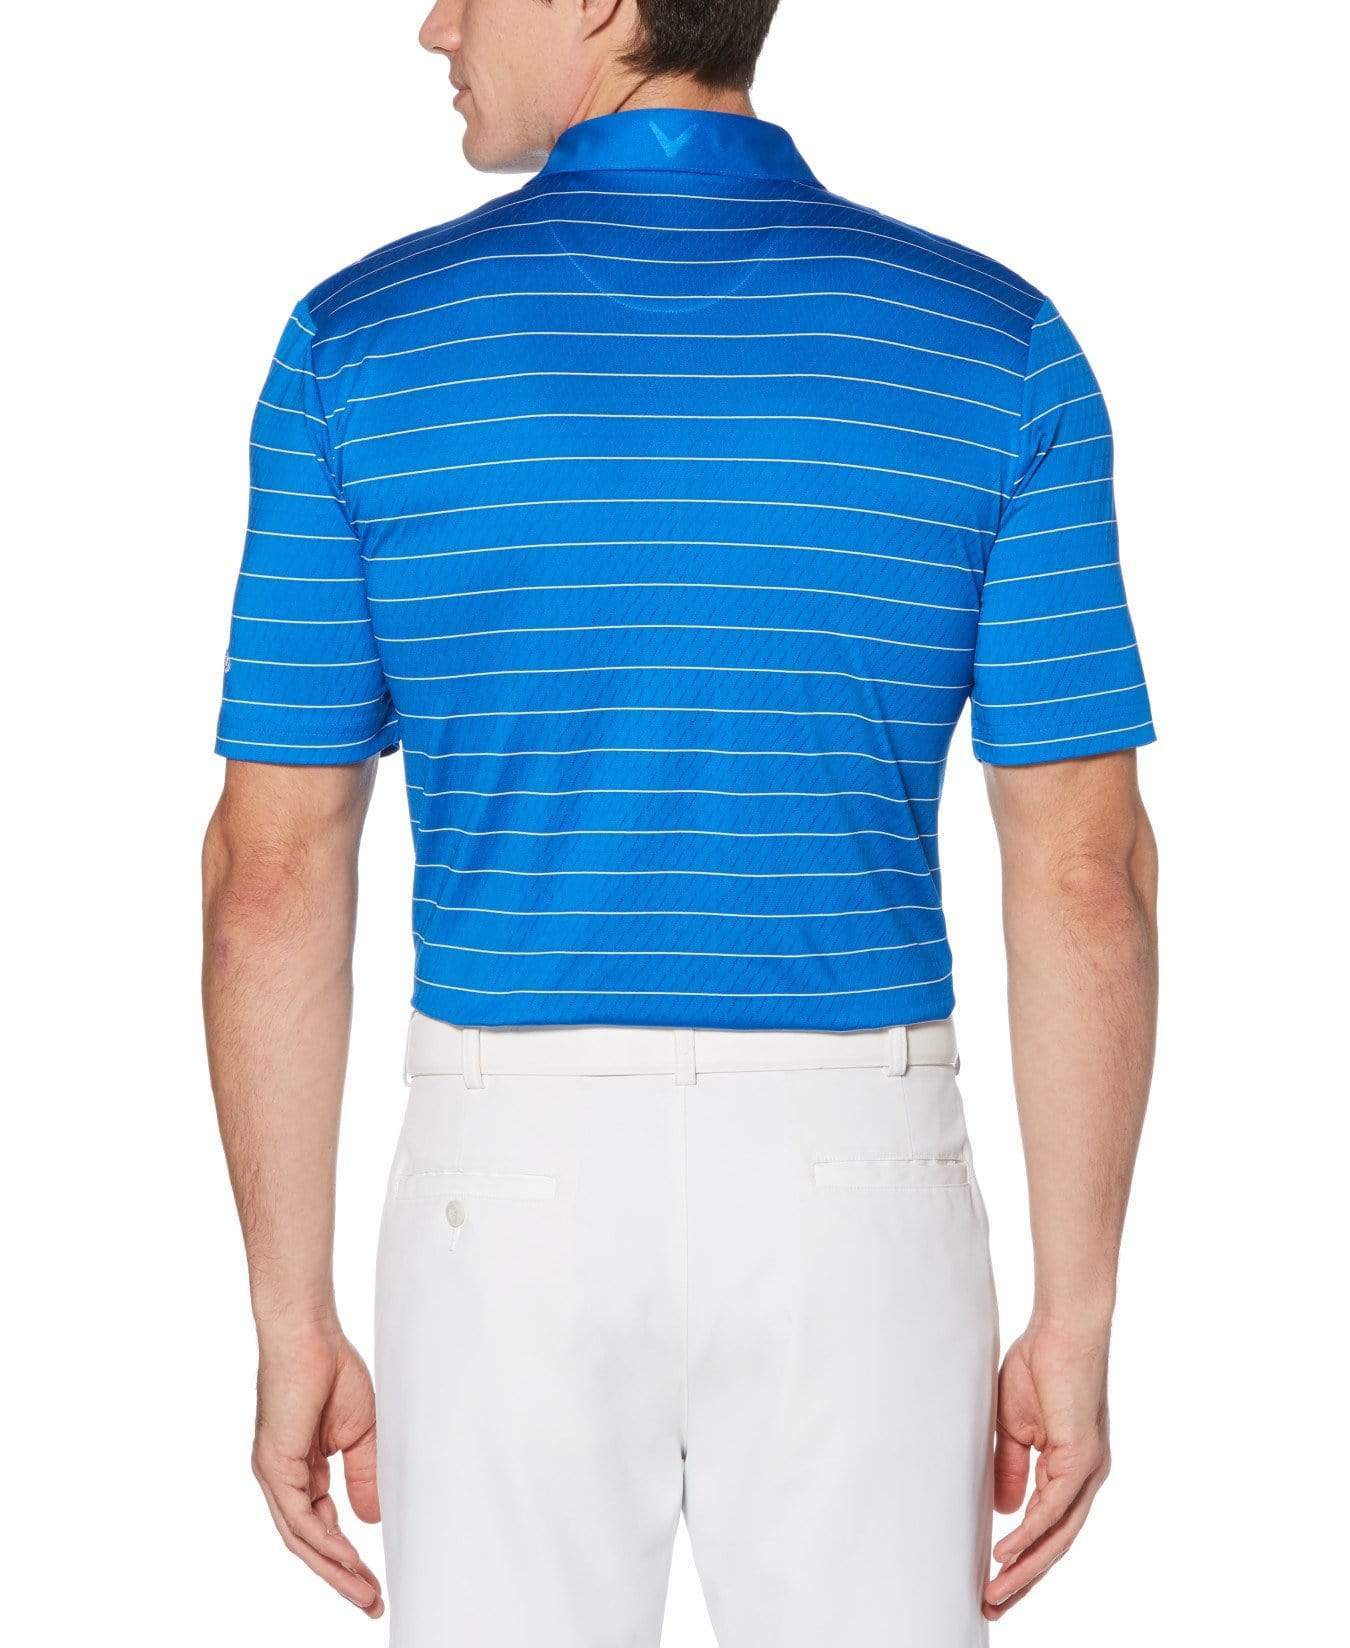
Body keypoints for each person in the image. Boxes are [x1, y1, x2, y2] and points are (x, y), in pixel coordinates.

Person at [202, 0, 1158, 1641]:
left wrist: (290, 1318)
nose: (434, 25)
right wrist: (1074, 1319)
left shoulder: (360, 347)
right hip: (859, 1181)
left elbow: (270, 879)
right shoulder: (990, 343)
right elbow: (1086, 877)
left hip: (505, 1187)